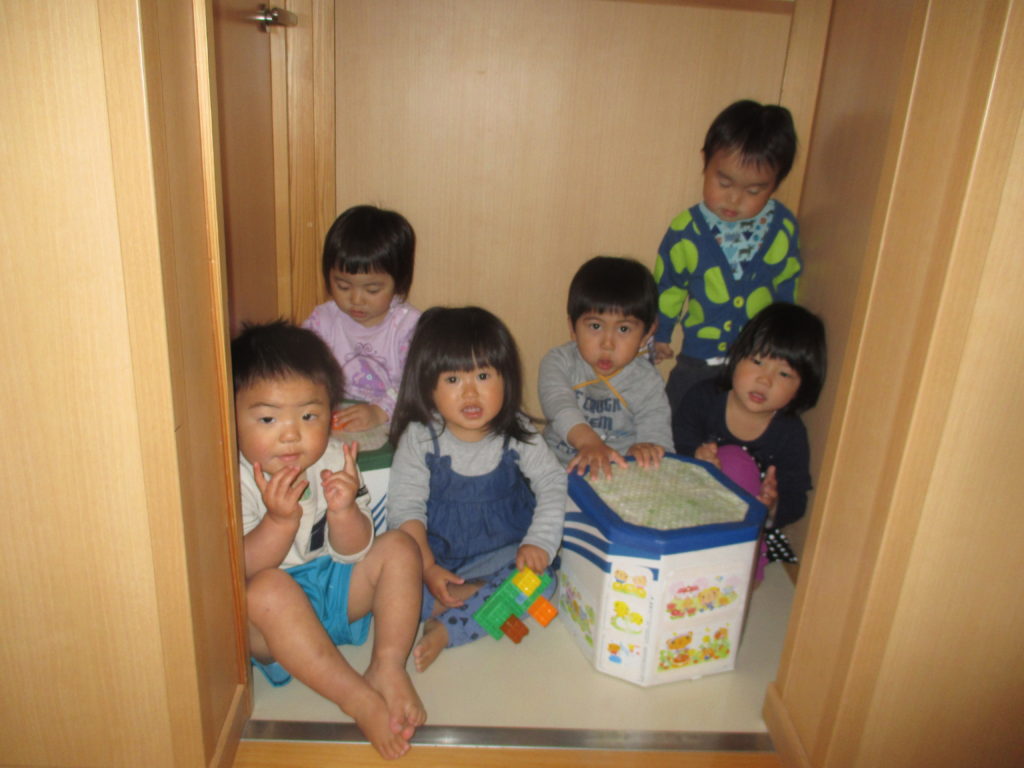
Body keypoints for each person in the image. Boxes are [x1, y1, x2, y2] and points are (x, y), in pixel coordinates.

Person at [232, 320, 425, 760]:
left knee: (399, 546)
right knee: (264, 591)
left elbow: (356, 550)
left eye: (308, 416)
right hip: (277, 623)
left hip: (334, 589)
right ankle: (356, 697)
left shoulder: (335, 458)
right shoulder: (234, 478)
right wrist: (279, 523)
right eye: (268, 418)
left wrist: (345, 512)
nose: (291, 434)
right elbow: (242, 568)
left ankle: (387, 665)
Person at [387, 307, 567, 672]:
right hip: (437, 559)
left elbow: (552, 484)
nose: (470, 392)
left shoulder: (517, 431)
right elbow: (405, 508)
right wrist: (427, 567)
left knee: (541, 582)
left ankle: (448, 629)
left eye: (483, 375)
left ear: (506, 377)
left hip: (504, 554)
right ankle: (487, 602)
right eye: (453, 379)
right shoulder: (420, 437)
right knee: (390, 595)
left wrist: (539, 542)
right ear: (428, 385)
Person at [653, 100, 801, 417]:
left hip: (757, 362)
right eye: (724, 183)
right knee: (675, 417)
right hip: (698, 357)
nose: (734, 199)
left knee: (742, 423)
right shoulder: (686, 230)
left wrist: (784, 345)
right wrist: (661, 333)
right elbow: (669, 285)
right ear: (705, 162)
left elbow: (787, 287)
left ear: (776, 183)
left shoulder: (782, 228)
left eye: (754, 191)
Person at [672, 302, 826, 568]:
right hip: (690, 507)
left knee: (736, 465)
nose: (765, 380)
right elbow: (676, 442)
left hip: (747, 534)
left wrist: (772, 505)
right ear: (737, 357)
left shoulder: (790, 432)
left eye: (784, 374)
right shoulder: (703, 398)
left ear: (801, 389)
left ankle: (734, 569)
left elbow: (796, 496)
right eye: (757, 362)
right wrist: (696, 456)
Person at [539, 256, 673, 479]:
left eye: (623, 329)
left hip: (616, 479)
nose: (607, 344)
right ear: (572, 327)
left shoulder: (647, 381)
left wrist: (648, 450)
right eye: (595, 326)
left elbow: (659, 439)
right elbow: (559, 407)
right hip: (555, 472)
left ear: (647, 334)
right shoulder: (559, 362)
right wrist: (589, 443)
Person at [303, 204, 420, 433]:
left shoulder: (409, 327)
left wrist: (380, 411)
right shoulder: (322, 321)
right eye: (343, 286)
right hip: (335, 419)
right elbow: (299, 369)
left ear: (399, 282)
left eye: (372, 290)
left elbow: (417, 384)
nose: (356, 299)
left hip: (392, 420)